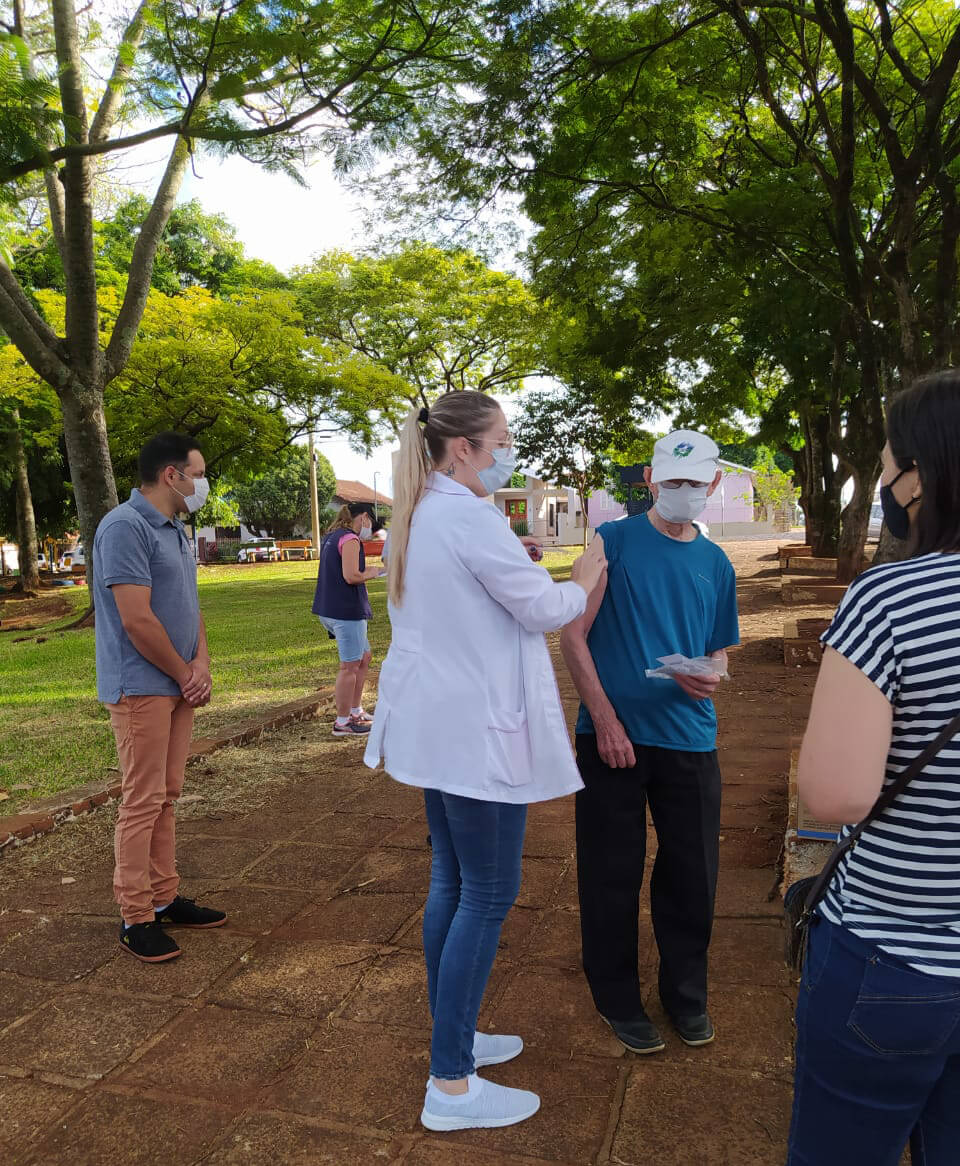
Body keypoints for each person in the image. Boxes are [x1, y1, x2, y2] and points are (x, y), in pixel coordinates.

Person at [364, 390, 607, 1132]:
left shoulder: (420, 513)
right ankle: (452, 1084)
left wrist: (520, 564)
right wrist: (588, 569)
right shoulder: (466, 517)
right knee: (490, 891)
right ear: (463, 447)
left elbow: (474, 593)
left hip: (439, 729)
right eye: (501, 437)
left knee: (454, 880)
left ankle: (456, 1037)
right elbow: (545, 610)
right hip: (474, 733)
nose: (509, 448)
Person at [787, 371, 960, 1166]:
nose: (884, 479)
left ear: (922, 473)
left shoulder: (891, 599)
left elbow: (833, 795)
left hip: (897, 957)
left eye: (889, 460)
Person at [561, 430, 739, 1054]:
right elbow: (573, 635)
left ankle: (685, 995)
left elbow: (719, 651)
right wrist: (604, 720)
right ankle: (616, 996)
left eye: (694, 483)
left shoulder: (717, 564)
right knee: (611, 872)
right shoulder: (611, 542)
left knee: (693, 875)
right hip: (614, 740)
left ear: (713, 484)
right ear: (650, 481)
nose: (682, 492)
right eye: (672, 482)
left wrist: (709, 675)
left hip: (690, 739)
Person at [92, 432, 227, 964]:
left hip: (177, 684)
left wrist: (202, 666)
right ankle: (135, 916)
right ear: (173, 474)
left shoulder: (175, 526)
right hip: (141, 685)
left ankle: (165, 896)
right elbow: (136, 619)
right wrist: (183, 671)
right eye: (198, 472)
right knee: (142, 798)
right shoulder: (123, 527)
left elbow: (188, 606)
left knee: (168, 793)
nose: (202, 483)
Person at [312, 502, 383, 737]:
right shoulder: (351, 539)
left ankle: (355, 710)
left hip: (330, 609)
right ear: (363, 517)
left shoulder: (334, 536)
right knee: (350, 666)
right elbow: (351, 576)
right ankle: (343, 722)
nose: (370, 528)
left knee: (363, 657)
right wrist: (373, 572)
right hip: (346, 611)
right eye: (370, 523)